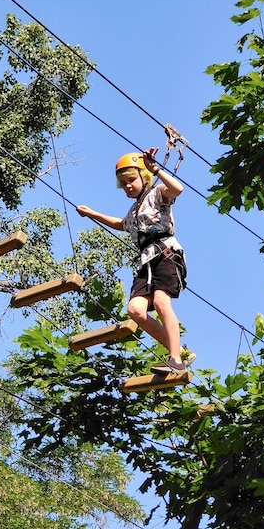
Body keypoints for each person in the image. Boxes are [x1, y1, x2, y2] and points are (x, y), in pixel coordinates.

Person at [76, 148, 195, 374]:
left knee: (161, 302)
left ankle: (176, 360)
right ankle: (178, 350)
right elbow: (120, 225)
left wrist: (157, 169)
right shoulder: (133, 211)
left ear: (144, 177)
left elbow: (177, 189)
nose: (128, 186)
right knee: (135, 310)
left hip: (166, 253)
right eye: (123, 184)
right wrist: (93, 214)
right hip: (146, 261)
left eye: (131, 180)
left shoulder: (157, 194)